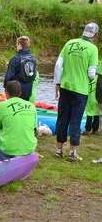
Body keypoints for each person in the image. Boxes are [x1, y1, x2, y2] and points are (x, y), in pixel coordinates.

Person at [54, 22, 99, 161]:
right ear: (95, 35)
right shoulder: (92, 49)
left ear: (84, 31)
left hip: (65, 87)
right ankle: (72, 152)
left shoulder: (70, 43)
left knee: (62, 118)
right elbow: (91, 73)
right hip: (81, 90)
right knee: (75, 120)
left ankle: (59, 150)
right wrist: (93, 77)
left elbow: (58, 65)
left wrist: (57, 83)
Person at [0, 81, 37, 160]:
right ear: (20, 93)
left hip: (8, 150)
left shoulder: (1, 106)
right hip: (29, 149)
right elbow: (34, 130)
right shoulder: (31, 106)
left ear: (6, 92)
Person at [4, 36, 37, 101]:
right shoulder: (33, 58)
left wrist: (6, 88)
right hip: (28, 90)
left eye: (17, 44)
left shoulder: (15, 58)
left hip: (16, 91)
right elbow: (34, 75)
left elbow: (8, 77)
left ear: (19, 45)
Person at [83, 64, 100, 135]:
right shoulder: (99, 78)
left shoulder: (87, 77)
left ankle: (87, 130)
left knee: (89, 115)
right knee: (97, 114)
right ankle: (95, 130)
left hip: (90, 99)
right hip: (97, 99)